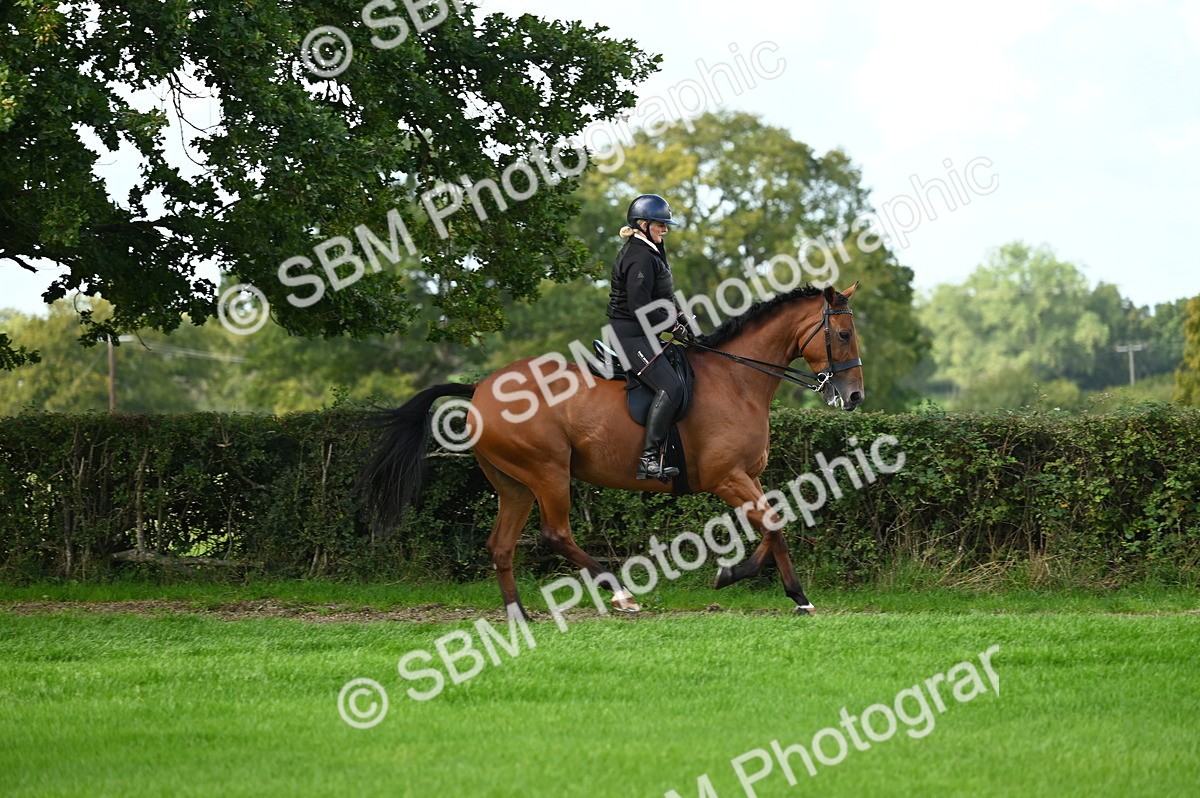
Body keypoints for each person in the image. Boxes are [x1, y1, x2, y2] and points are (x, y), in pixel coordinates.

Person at [606, 194, 690, 481]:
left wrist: (685, 321)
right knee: (671, 386)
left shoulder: (652, 251)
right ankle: (649, 459)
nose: (665, 229)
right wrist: (672, 325)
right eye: (660, 224)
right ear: (643, 224)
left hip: (645, 331)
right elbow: (639, 306)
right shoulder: (639, 256)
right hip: (630, 335)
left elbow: (663, 297)